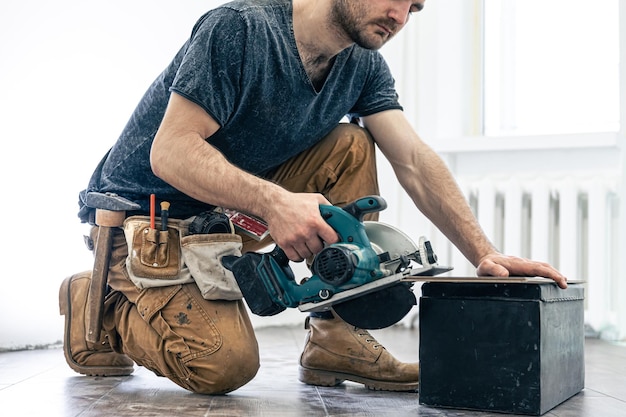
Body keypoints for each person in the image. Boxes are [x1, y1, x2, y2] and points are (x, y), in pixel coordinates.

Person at [59, 0, 568, 395]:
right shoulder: (240, 29)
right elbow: (168, 152)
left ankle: (335, 337)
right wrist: (277, 203)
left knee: (351, 143)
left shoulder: (362, 62)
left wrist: (485, 253)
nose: (400, 16)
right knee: (222, 365)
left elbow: (411, 157)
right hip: (150, 224)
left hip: (233, 213)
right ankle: (99, 302)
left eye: (414, 7)